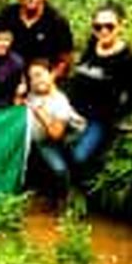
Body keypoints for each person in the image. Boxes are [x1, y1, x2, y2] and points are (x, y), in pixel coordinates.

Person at [65, 1, 132, 178]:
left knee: (79, 157)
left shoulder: (127, 59)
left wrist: (112, 118)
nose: (103, 31)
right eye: (98, 27)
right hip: (72, 109)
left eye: (109, 26)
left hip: (98, 119)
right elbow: (80, 72)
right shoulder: (93, 44)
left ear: (121, 25)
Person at [26, 59, 87, 203]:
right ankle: (50, 197)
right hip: (43, 141)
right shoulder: (32, 93)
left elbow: (56, 133)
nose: (35, 80)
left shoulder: (60, 102)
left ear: (52, 74)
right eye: (32, 77)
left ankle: (69, 200)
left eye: (39, 75)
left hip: (69, 137)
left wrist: (40, 113)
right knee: (52, 169)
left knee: (61, 169)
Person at [0, 0, 74, 80]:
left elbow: (65, 61)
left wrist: (48, 80)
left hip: (45, 80)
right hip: (10, 78)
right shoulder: (6, 16)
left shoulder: (57, 21)